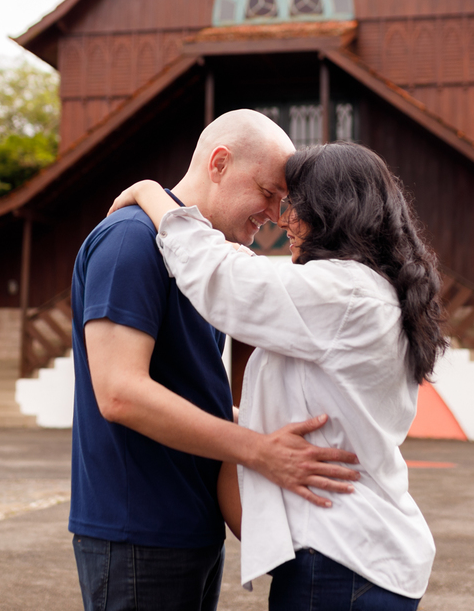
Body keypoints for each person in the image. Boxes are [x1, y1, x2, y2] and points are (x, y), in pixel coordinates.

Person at [109, 141, 446, 609]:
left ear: (331, 211)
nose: (283, 220)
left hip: (339, 562)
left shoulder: (344, 293)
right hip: (357, 560)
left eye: (294, 205)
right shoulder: (366, 292)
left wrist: (152, 193)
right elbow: (312, 406)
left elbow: (222, 278)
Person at [70, 110, 362, 611]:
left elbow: (192, 392)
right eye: (269, 192)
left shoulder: (209, 263)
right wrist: (258, 448)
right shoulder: (131, 241)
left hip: (192, 525)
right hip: (137, 527)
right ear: (220, 163)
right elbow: (119, 392)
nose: (275, 214)